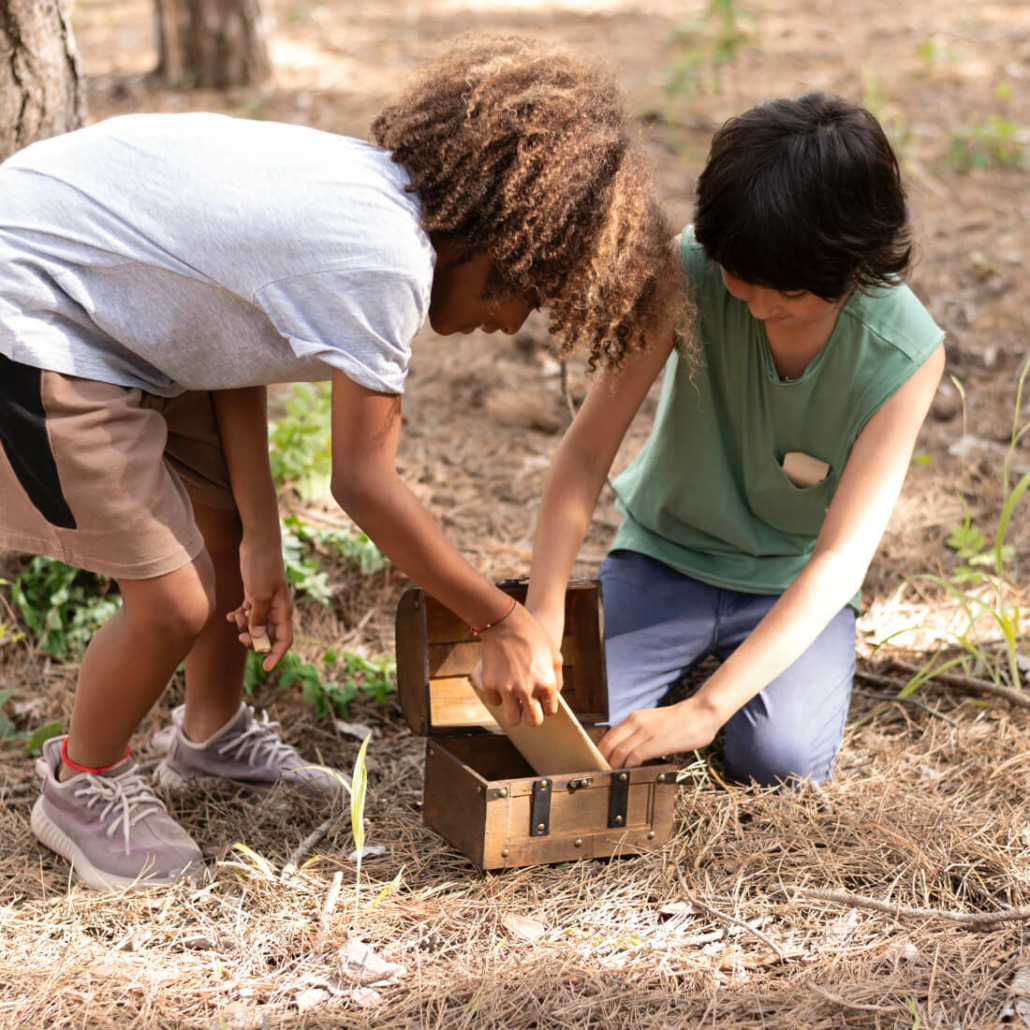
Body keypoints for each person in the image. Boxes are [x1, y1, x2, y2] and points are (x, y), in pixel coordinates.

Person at [0, 37, 678, 889]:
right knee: (174, 600)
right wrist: (500, 621)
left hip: (126, 308)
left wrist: (261, 534)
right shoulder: (385, 261)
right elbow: (363, 484)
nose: (511, 325)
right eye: (525, 294)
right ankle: (81, 779)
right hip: (36, 306)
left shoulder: (370, 199)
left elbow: (229, 341)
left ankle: (209, 736)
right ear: (497, 238)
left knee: (221, 538)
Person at [524, 92, 946, 787]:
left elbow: (840, 558)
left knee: (780, 764)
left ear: (856, 262)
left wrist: (706, 710)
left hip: (791, 583)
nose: (758, 306)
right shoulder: (691, 269)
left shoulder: (904, 353)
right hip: (665, 557)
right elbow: (587, 450)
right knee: (564, 735)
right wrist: (543, 612)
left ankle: (717, 681)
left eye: (789, 294)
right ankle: (690, 666)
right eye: (741, 280)